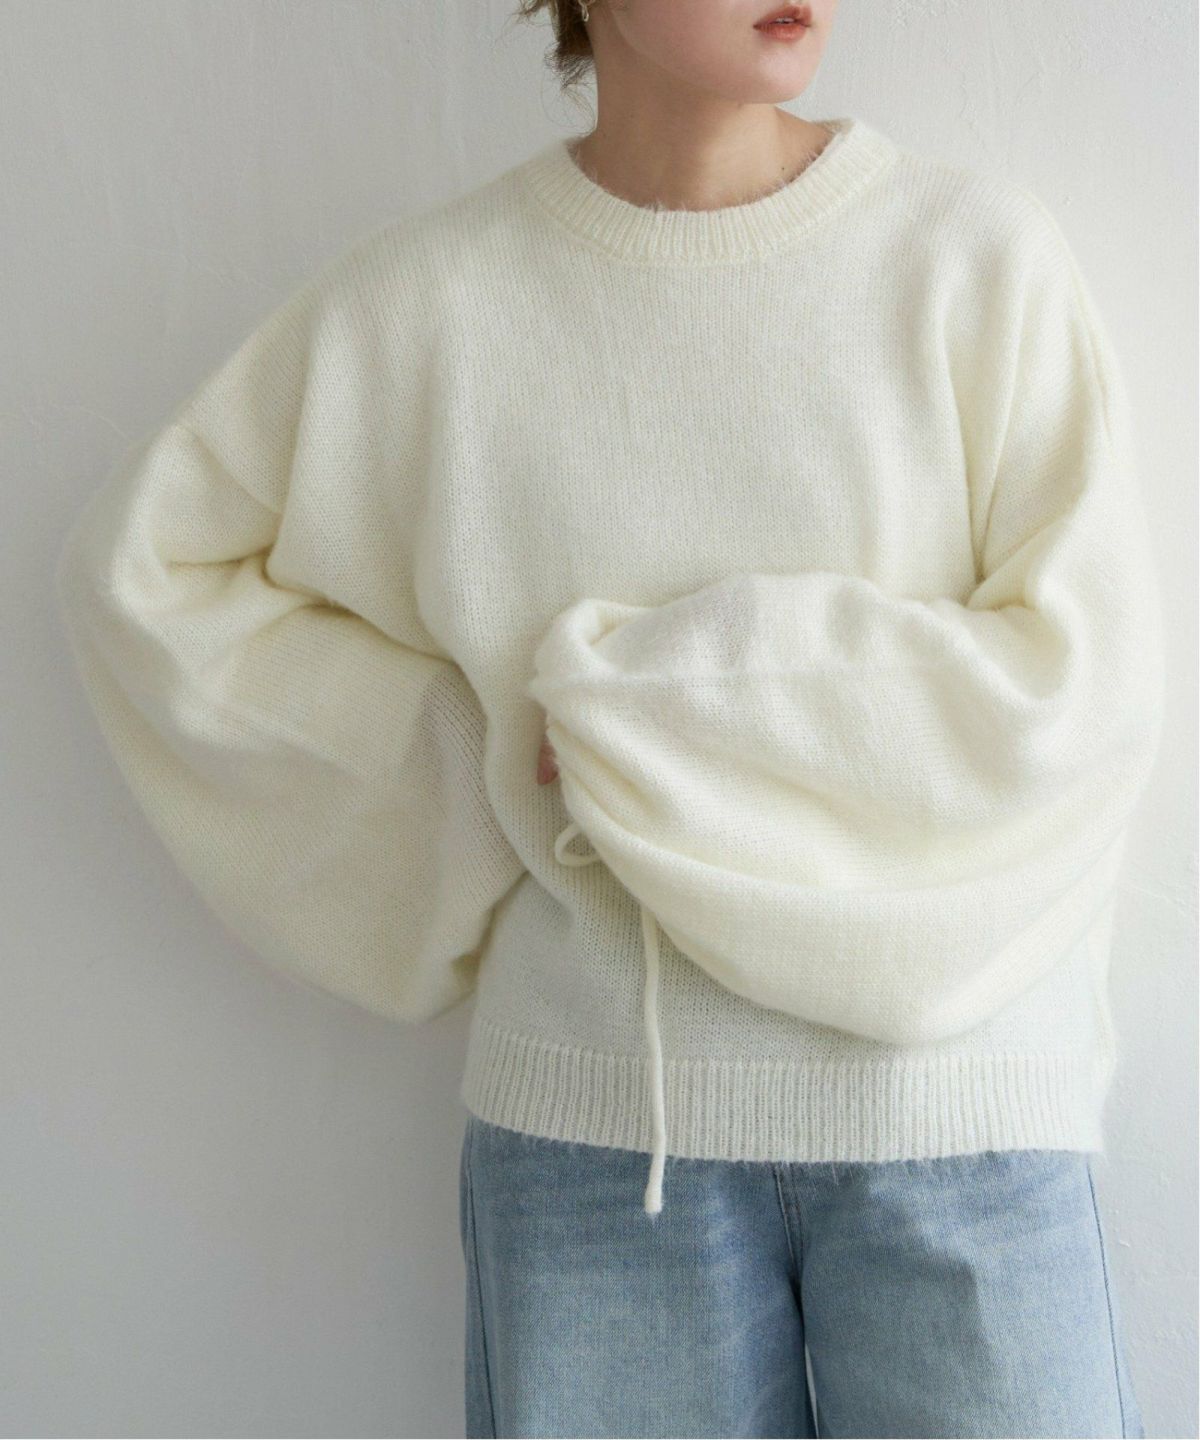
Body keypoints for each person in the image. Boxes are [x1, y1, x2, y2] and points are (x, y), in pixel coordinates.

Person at [54, 0, 1164, 1435]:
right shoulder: (436, 305)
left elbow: (1079, 692)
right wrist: (490, 779)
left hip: (966, 1130)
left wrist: (631, 720)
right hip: (594, 1156)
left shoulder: (973, 261)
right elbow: (149, 580)